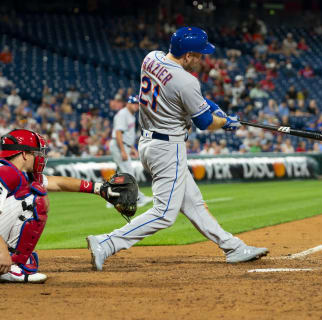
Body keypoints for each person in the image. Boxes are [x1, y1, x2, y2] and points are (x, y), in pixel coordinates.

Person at [86, 27, 268, 271]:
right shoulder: (187, 80)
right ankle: (106, 243)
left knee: (193, 203)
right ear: (187, 55)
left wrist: (213, 106)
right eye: (199, 55)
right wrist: (226, 122)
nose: (202, 60)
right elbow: (204, 122)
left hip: (150, 142)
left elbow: (184, 96)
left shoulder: (151, 57)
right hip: (167, 148)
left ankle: (233, 247)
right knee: (164, 214)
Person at [0, 129, 119, 283]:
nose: (40, 157)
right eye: (37, 153)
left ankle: (13, 261)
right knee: (36, 199)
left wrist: (98, 188)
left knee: (34, 193)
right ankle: (14, 266)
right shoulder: (5, 172)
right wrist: (1, 250)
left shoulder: (20, 173)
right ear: (24, 154)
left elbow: (58, 183)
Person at [108, 95, 152, 208]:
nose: (136, 106)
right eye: (133, 103)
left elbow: (127, 135)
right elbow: (118, 133)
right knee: (128, 174)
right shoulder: (123, 114)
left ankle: (112, 199)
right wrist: (123, 150)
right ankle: (138, 198)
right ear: (128, 103)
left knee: (120, 175)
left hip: (124, 145)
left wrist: (131, 148)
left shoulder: (131, 115)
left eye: (137, 104)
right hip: (119, 146)